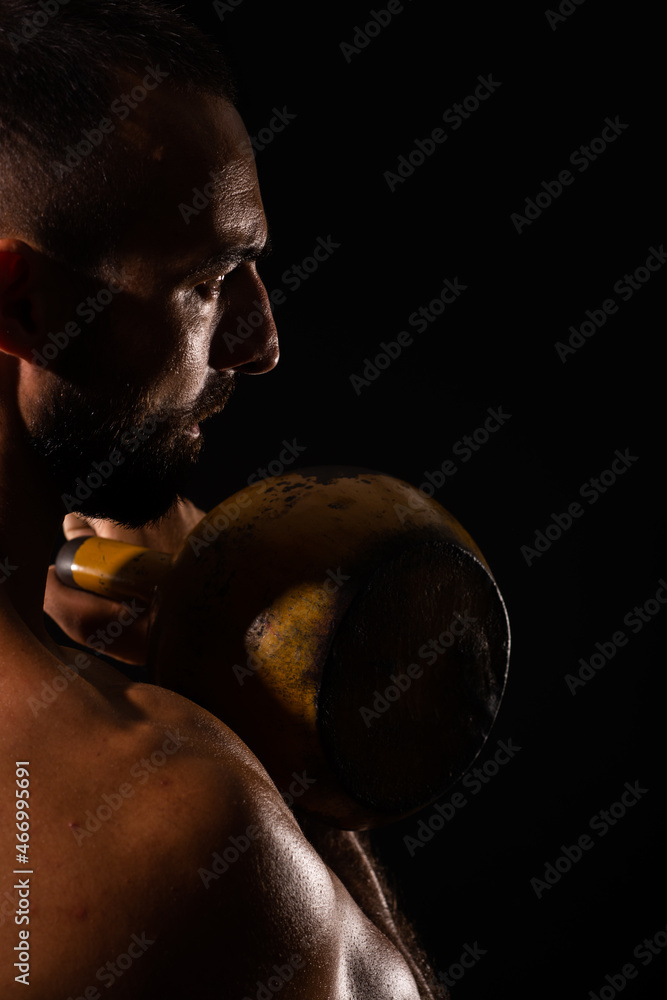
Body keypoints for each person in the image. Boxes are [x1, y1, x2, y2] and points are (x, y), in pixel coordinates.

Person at [0, 2, 445, 997]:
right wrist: (282, 754)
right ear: (20, 304)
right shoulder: (185, 821)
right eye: (209, 281)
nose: (258, 339)